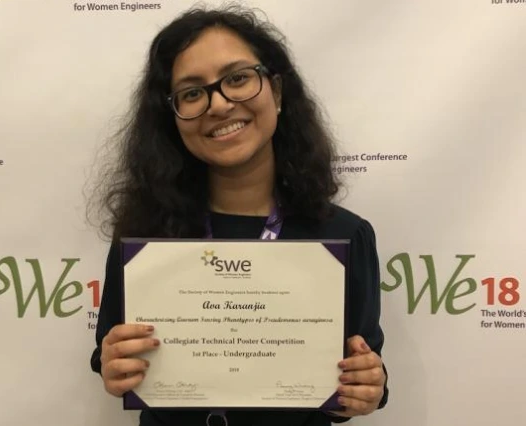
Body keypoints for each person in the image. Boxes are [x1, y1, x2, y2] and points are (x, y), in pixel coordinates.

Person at [90, 4, 388, 426]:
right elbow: (108, 355)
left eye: (237, 79)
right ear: (172, 118)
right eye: (192, 92)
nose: (219, 104)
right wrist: (113, 362)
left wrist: (364, 388)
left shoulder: (343, 235)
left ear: (277, 92)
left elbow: (358, 379)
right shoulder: (145, 235)